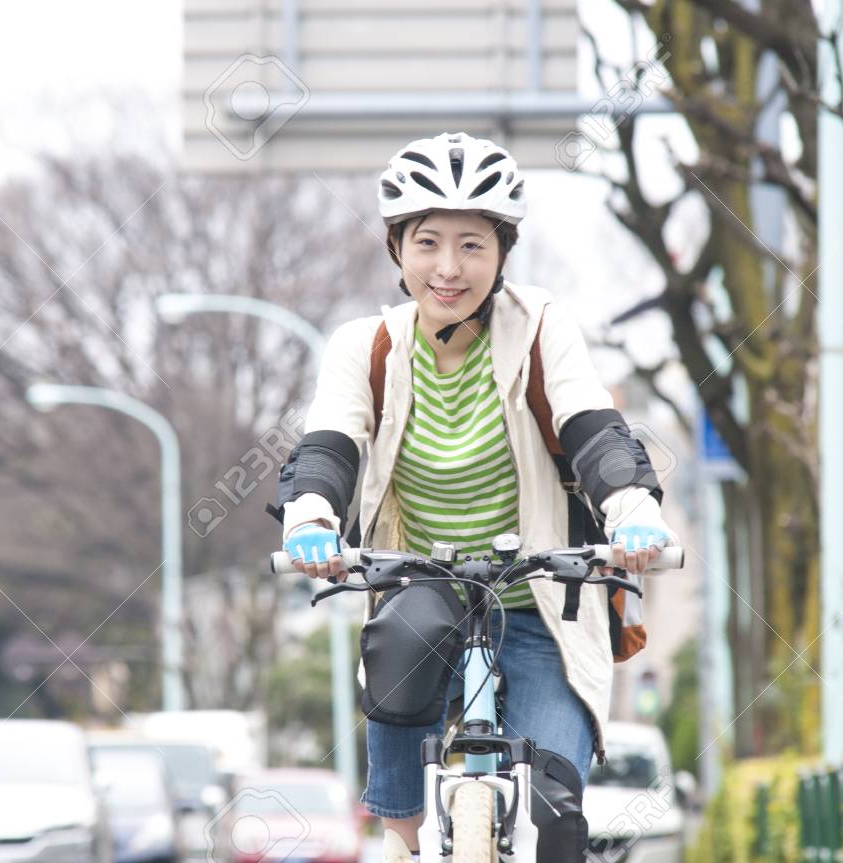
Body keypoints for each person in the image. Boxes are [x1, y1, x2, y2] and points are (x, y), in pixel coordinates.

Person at [269, 132, 676, 862]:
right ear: (397, 248)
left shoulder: (540, 328)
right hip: (419, 595)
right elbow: (329, 446)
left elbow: (594, 429)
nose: (449, 268)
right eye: (427, 243)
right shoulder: (366, 347)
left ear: (502, 252)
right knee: (402, 653)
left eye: (472, 245)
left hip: (543, 605)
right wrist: (310, 520)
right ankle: (401, 842)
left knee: (555, 815)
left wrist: (633, 509)